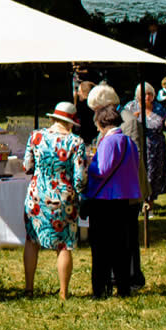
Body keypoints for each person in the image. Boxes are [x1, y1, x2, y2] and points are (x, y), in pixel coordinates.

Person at [20, 101, 87, 299]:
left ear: (53, 118)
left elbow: (27, 166)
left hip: (37, 195)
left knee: (32, 240)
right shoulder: (76, 142)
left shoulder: (36, 136)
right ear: (71, 122)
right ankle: (64, 292)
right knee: (64, 244)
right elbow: (80, 178)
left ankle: (29, 288)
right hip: (63, 197)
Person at [84, 107, 138, 298]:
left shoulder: (109, 141)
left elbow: (102, 170)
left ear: (101, 123)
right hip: (123, 198)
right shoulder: (129, 141)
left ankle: (100, 289)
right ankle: (123, 287)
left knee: (101, 248)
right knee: (121, 246)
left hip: (105, 200)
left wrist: (88, 163)